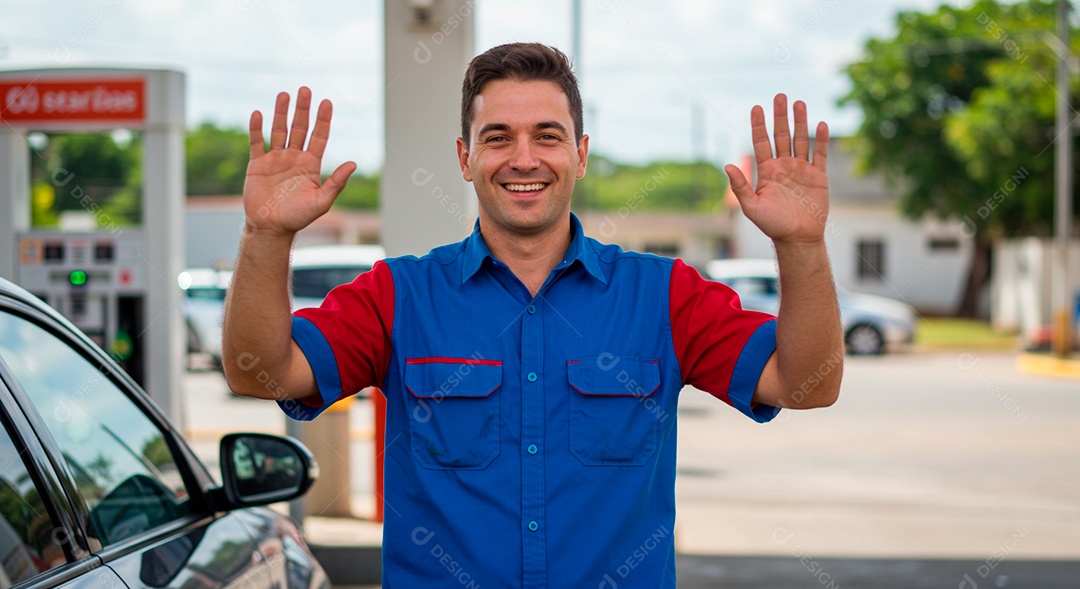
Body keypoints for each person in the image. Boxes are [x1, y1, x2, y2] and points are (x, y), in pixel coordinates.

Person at [223, 42, 843, 588]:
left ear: (580, 153)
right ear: (465, 159)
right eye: (498, 138)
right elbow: (261, 373)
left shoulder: (665, 295)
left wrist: (802, 246)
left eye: (547, 135)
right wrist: (265, 232)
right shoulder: (397, 294)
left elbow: (805, 383)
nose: (525, 159)